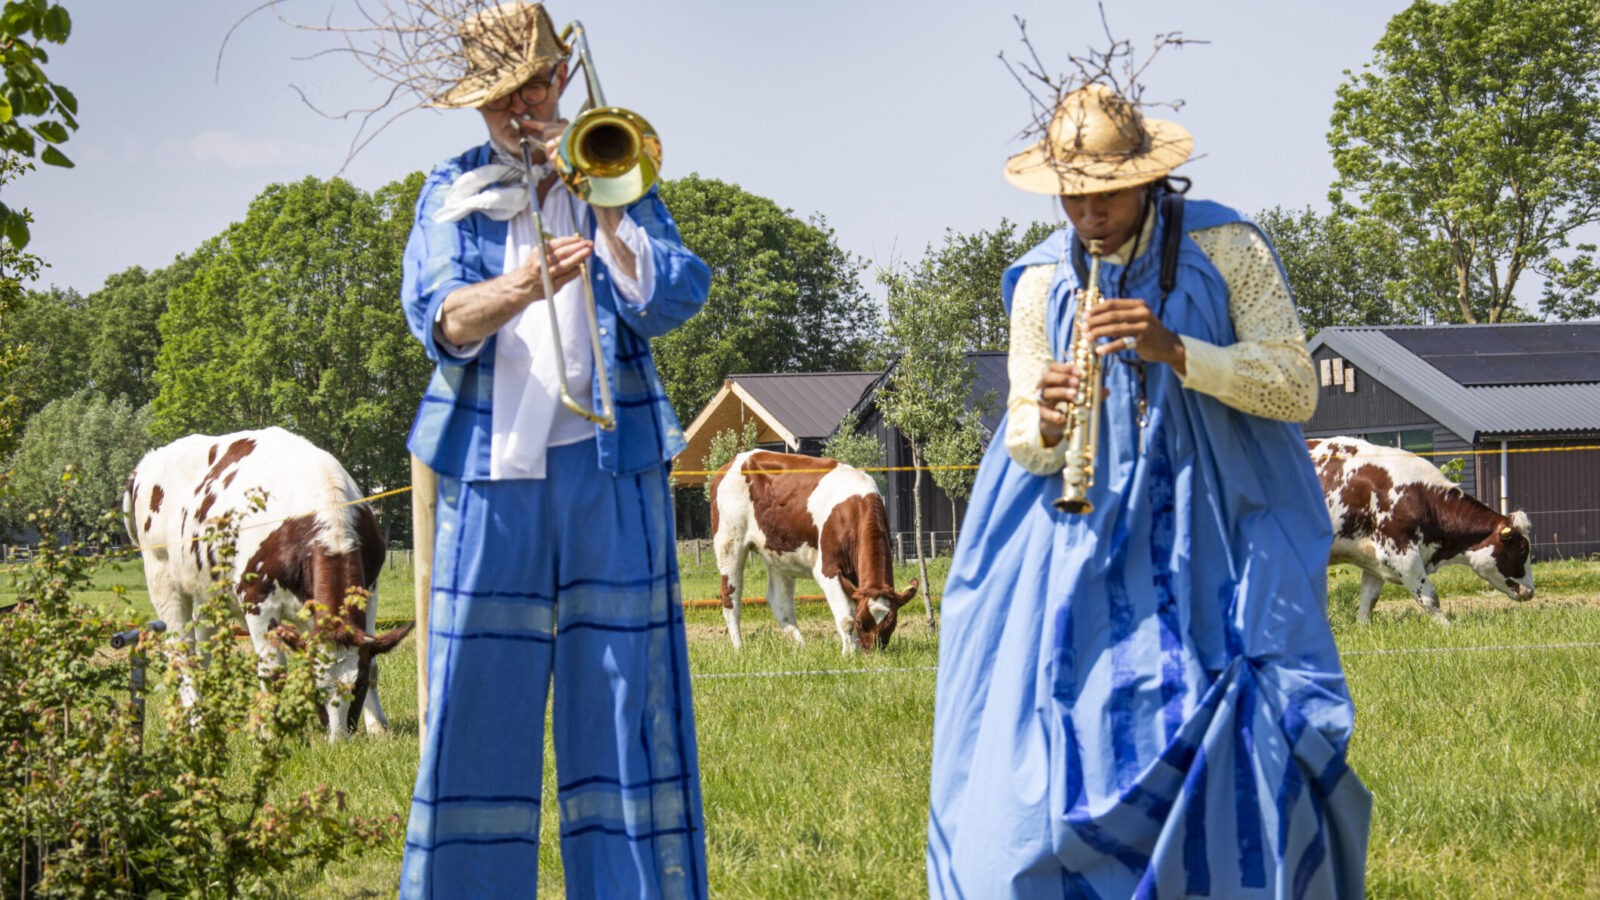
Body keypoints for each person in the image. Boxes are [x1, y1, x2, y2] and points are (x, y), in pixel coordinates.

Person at [926, 82, 1372, 898]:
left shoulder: (1228, 246)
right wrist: (1048, 423)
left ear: (1149, 179)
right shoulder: (1037, 281)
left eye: (1105, 194)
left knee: (1254, 723)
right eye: (1072, 196)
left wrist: (1179, 351)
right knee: (1075, 725)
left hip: (1226, 524)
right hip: (1083, 535)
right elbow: (1022, 435)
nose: (1087, 214)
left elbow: (1293, 387)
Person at [396, 3, 709, 897]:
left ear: (562, 81)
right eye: (499, 94)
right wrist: (521, 284)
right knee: (473, 705)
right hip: (493, 474)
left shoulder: (619, 169)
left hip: (611, 467)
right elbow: (442, 321)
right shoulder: (450, 189)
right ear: (477, 105)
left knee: (623, 705)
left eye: (533, 84)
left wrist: (609, 209)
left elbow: (675, 298)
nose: (519, 106)